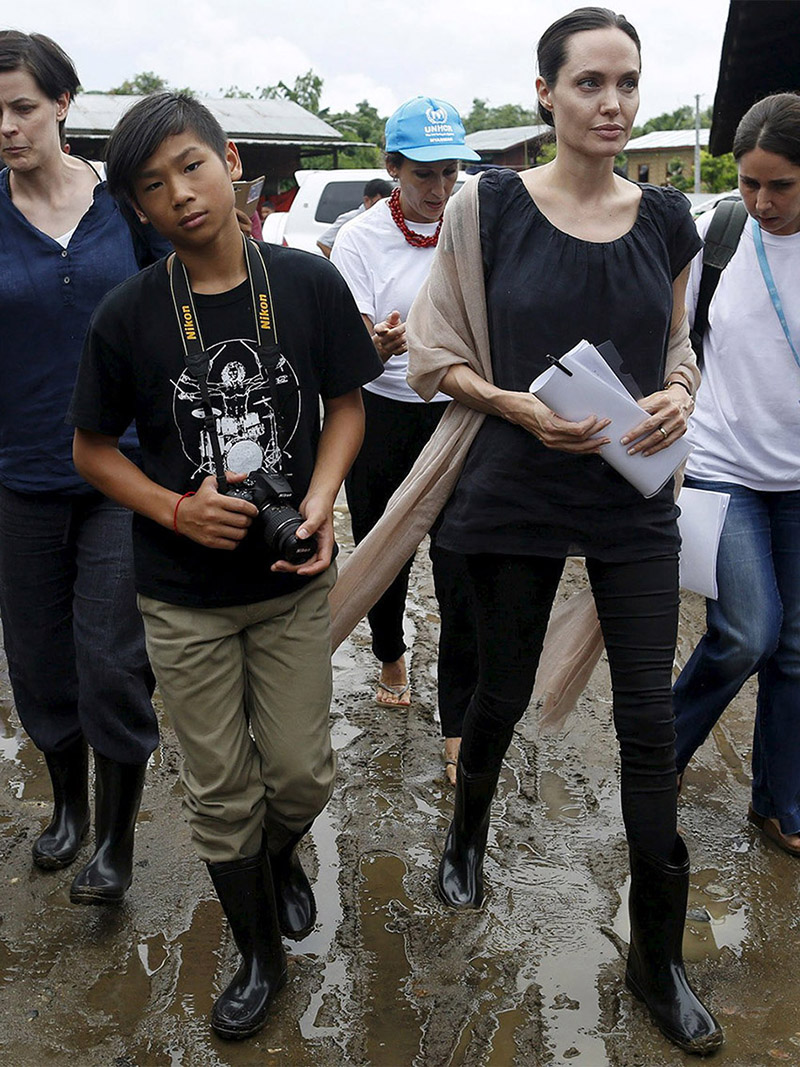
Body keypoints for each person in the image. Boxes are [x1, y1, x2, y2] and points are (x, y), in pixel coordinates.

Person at [405, 8, 723, 1055]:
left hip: (630, 501)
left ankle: (656, 954)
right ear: (543, 93)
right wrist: (513, 404)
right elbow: (433, 350)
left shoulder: (668, 218)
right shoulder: (489, 207)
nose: (613, 105)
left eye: (626, 83)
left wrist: (679, 391)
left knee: (646, 722)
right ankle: (465, 829)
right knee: (496, 687)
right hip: (510, 489)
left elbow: (677, 345)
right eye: (589, 83)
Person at [68, 92, 381, 1040]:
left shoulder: (308, 283)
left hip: (289, 584)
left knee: (299, 775)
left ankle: (277, 857)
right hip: (182, 595)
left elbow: (348, 404)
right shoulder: (129, 313)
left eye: (192, 166)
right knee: (219, 789)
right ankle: (257, 952)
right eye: (153, 187)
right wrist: (173, 507)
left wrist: (322, 502)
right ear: (136, 206)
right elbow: (91, 448)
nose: (181, 196)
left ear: (230, 158)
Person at [0, 30, 160, 904]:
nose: (8, 127)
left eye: (23, 107)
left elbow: (182, 317)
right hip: (17, 475)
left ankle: (115, 837)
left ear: (63, 104)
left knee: (110, 657)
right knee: (37, 660)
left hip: (121, 473)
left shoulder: (124, 212)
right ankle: (66, 802)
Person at [331, 96, 480, 784]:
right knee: (384, 551)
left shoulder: (473, 222)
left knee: (461, 567)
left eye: (450, 172)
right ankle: (390, 650)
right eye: (425, 174)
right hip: (385, 413)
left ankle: (458, 720)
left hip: (456, 415)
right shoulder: (361, 238)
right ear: (392, 168)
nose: (441, 189)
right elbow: (352, 336)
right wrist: (374, 343)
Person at [672, 93, 800, 857]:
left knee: (795, 650)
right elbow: (676, 341)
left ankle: (781, 801)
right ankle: (658, 755)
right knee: (747, 631)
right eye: (750, 182)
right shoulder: (717, 236)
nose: (759, 201)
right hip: (723, 469)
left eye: (779, 185)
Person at [316, 177, 393, 257]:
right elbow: (323, 242)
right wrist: (338, 263)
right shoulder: (350, 219)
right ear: (367, 200)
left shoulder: (389, 220)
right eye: (378, 203)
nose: (382, 207)